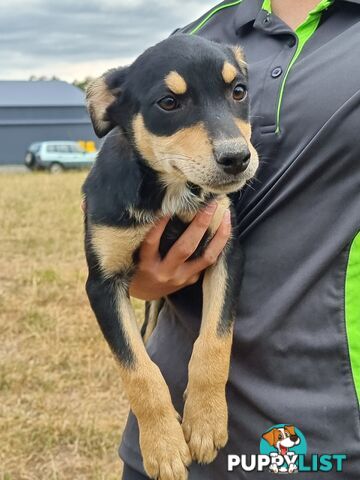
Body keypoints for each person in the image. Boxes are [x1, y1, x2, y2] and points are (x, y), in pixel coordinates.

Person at [118, 0, 360, 478]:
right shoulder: (200, 30)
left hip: (334, 419)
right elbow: (118, 186)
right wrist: (139, 276)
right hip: (177, 430)